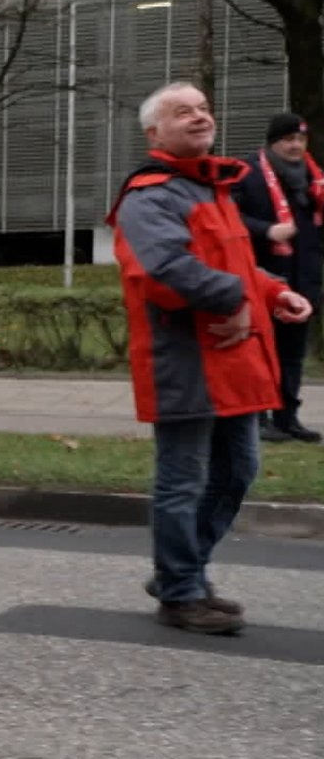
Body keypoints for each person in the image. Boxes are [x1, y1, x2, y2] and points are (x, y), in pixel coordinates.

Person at [108, 83, 313, 633]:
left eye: (202, 109)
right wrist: (237, 298)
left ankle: (183, 573)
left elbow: (239, 264)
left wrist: (271, 293)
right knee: (184, 480)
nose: (199, 117)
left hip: (231, 360)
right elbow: (162, 270)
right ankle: (180, 590)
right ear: (155, 133)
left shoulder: (212, 188)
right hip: (186, 363)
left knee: (239, 469)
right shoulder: (150, 195)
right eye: (183, 112)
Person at [232, 111, 323, 444]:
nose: (296, 145)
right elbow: (229, 216)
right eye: (288, 139)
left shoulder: (314, 179)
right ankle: (258, 418)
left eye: (300, 139)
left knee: (292, 355)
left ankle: (287, 418)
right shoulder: (249, 173)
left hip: (304, 279)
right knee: (259, 351)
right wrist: (267, 230)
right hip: (264, 278)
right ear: (273, 143)